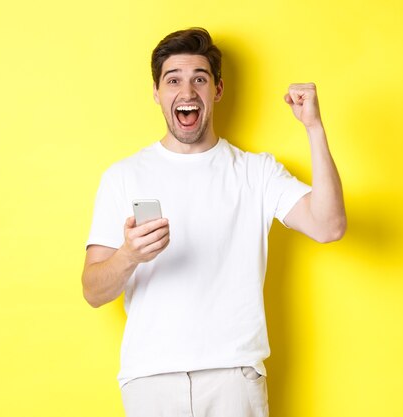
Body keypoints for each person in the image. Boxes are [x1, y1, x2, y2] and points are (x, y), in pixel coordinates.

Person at [81, 27, 346, 417]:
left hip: (233, 378)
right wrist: (128, 255)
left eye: (199, 80)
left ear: (217, 90)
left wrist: (314, 127)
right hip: (150, 380)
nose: (186, 92)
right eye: (173, 80)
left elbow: (329, 226)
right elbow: (93, 291)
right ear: (156, 93)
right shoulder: (122, 176)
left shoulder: (256, 172)